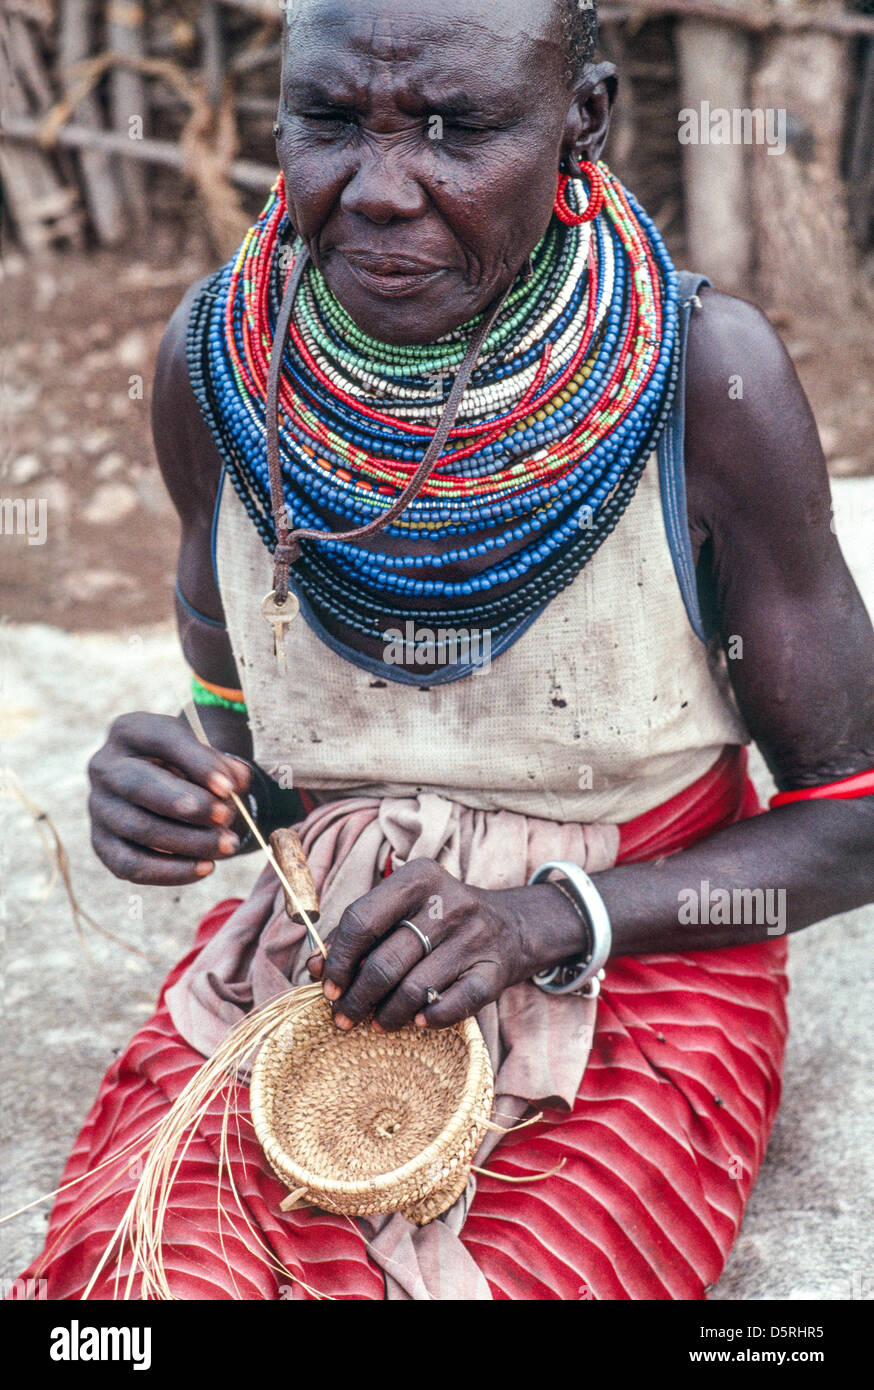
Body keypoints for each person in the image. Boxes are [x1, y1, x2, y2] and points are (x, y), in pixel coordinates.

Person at [21, 0, 874, 1300]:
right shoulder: (220, 365)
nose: (375, 191)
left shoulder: (707, 375)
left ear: (580, 118)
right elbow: (246, 734)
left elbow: (852, 811)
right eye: (324, 122)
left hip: (635, 955)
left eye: (454, 130)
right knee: (134, 1297)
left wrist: (546, 917)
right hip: (337, 949)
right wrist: (193, 787)